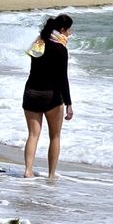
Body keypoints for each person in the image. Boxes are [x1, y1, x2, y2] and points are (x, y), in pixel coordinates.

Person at [22, 13, 74, 178]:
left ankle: (28, 171)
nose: (70, 33)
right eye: (69, 30)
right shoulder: (61, 50)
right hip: (51, 96)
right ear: (62, 29)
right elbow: (62, 79)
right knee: (55, 136)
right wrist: (69, 103)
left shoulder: (39, 43)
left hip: (31, 93)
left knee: (33, 134)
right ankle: (51, 174)